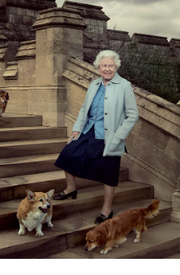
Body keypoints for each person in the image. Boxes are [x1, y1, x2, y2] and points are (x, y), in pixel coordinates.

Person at [53, 50, 139, 225]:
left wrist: (118, 136)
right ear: (98, 67)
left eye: (110, 66)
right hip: (89, 130)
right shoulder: (94, 84)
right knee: (67, 154)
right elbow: (85, 109)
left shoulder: (124, 86)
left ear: (116, 67)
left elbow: (132, 115)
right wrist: (77, 129)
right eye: (104, 66)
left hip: (110, 136)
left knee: (109, 172)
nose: (107, 69)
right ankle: (70, 189)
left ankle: (107, 209)